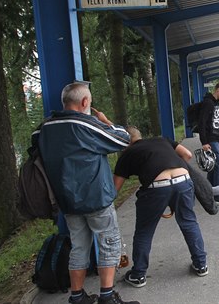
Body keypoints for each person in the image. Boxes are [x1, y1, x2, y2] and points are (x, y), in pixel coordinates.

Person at [32, 82, 137, 304]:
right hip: (95, 197)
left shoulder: (43, 129)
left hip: (67, 200)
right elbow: (122, 139)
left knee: (78, 247)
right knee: (108, 244)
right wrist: (105, 121)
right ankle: (107, 297)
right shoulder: (84, 125)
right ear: (85, 102)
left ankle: (77, 297)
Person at [113, 127, 208, 288]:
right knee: (189, 222)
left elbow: (114, 189)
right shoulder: (161, 140)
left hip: (156, 187)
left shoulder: (127, 154)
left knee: (144, 231)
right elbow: (187, 155)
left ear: (125, 143)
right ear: (140, 136)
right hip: (183, 179)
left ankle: (138, 275)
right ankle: (201, 265)